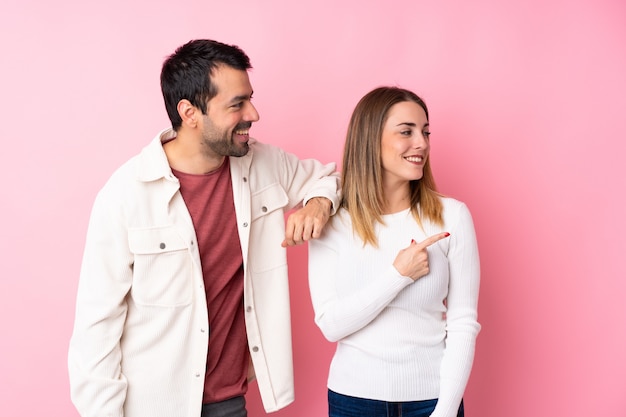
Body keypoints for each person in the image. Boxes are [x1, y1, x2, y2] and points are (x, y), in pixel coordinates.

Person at [68, 39, 340, 417]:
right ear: (190, 112)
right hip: (152, 407)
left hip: (229, 402)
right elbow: (95, 328)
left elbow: (328, 179)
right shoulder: (125, 195)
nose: (254, 113)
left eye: (250, 98)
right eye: (237, 104)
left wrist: (318, 203)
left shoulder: (264, 164)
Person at [308, 86, 480, 417]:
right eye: (407, 132)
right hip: (352, 401)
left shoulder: (452, 216)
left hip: (432, 399)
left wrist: (444, 411)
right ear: (371, 139)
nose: (422, 143)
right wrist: (398, 275)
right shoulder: (332, 221)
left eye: (425, 132)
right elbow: (331, 325)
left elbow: (463, 322)